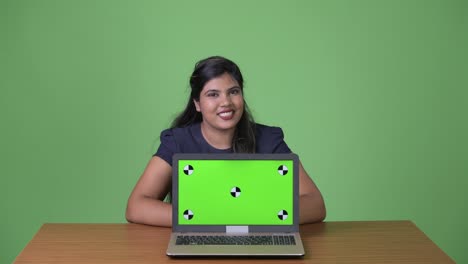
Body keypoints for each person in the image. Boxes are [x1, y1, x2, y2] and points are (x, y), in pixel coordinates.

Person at [126, 56, 326, 227]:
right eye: (213, 94)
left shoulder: (268, 140)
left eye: (233, 91)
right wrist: (208, 218)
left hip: (255, 243)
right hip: (197, 242)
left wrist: (246, 216)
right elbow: (137, 206)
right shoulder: (178, 142)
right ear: (197, 104)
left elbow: (315, 204)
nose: (226, 102)